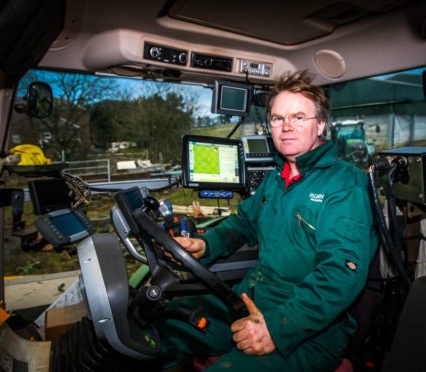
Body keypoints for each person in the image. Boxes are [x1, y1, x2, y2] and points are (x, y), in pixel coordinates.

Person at [159, 70, 378, 371]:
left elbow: (339, 274)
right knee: (170, 319)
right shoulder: (276, 179)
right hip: (251, 300)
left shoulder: (345, 185)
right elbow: (243, 223)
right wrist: (204, 244)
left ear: (321, 125)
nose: (286, 127)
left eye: (299, 117)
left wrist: (277, 328)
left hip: (311, 330)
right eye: (277, 118)